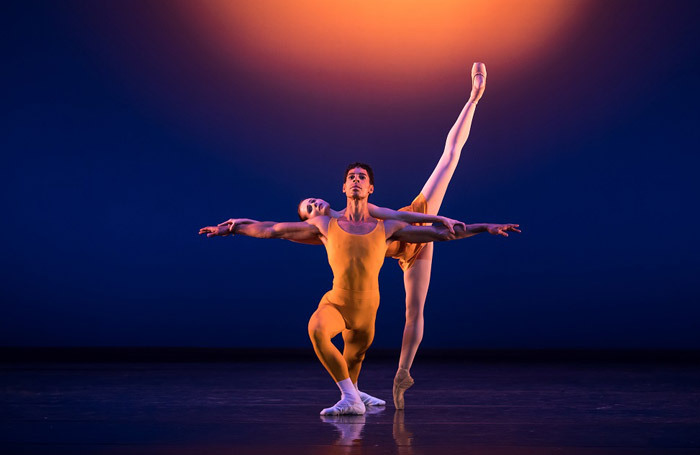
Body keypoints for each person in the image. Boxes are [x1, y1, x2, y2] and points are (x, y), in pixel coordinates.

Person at [255, 62, 488, 409]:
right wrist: (240, 227)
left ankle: (401, 372)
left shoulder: (362, 208)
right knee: (411, 310)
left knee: (448, 160)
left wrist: (473, 99)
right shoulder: (330, 223)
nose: (315, 205)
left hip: (416, 230)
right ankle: (388, 379)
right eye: (309, 207)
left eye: (314, 200)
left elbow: (404, 210)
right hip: (403, 247)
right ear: (308, 214)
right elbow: (276, 231)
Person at [200, 163, 519, 415]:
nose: (355, 180)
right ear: (342, 188)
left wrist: (484, 228)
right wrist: (232, 227)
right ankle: (351, 397)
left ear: (369, 187)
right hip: (337, 302)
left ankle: (354, 393)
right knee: (317, 330)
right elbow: (272, 229)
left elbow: (440, 234)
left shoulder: (386, 225)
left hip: (368, 313)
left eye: (360, 176)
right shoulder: (323, 225)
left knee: (354, 365)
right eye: (350, 177)